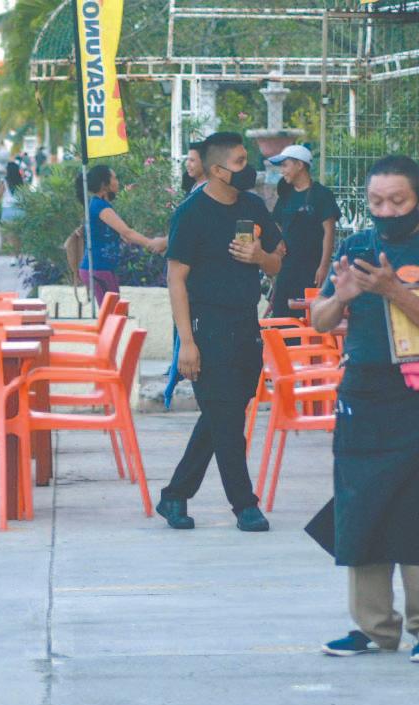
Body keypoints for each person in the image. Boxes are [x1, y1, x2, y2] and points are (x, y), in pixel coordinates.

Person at [308, 156, 419, 663]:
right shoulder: (356, 247)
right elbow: (320, 320)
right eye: (377, 202)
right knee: (360, 506)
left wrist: (392, 290)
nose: (386, 211)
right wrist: (340, 297)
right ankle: (372, 626)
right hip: (363, 393)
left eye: (397, 201)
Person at [157, 131, 283, 532]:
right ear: (217, 170)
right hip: (206, 327)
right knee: (226, 421)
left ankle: (175, 494)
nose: (249, 169)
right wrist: (186, 343)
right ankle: (245, 505)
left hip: (245, 325)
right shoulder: (191, 214)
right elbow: (176, 279)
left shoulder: (252, 205)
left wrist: (260, 256)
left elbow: (277, 262)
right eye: (240, 162)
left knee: (222, 414)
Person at [75, 165, 168, 306]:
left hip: (102, 268)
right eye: (114, 178)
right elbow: (127, 232)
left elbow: (121, 234)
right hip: (98, 268)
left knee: (115, 312)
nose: (117, 182)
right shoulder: (100, 207)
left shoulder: (99, 204)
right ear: (104, 185)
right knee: (112, 313)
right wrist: (151, 243)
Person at [268, 145, 341, 315]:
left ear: (300, 165)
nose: (282, 171)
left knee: (309, 315)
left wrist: (324, 266)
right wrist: (277, 246)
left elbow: (329, 231)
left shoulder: (321, 195)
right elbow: (276, 224)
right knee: (282, 315)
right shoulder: (286, 195)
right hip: (286, 269)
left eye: (285, 165)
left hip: (312, 269)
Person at [0, 161, 25, 266]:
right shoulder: (21, 181)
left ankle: (13, 258)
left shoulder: (4, 181)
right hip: (20, 210)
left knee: (10, 236)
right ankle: (19, 256)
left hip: (8, 211)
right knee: (19, 236)